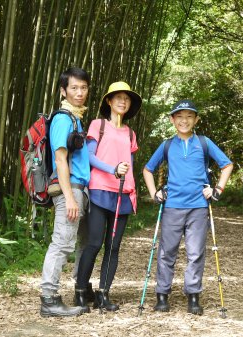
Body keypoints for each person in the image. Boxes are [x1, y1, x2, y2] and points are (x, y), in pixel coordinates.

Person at [142, 99, 233, 315]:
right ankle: (162, 295)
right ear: (172, 120)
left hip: (198, 207)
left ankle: (193, 295)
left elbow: (227, 165)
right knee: (166, 253)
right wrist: (154, 193)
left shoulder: (203, 142)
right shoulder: (166, 145)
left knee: (195, 253)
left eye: (189, 116)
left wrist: (217, 189)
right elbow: (148, 169)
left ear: (196, 119)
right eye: (180, 117)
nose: (184, 121)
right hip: (173, 205)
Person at [75, 81, 141, 312]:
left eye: (127, 98)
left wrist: (133, 191)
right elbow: (89, 157)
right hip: (100, 190)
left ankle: (103, 293)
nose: (123, 101)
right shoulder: (98, 125)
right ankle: (81, 292)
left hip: (122, 194)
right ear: (109, 101)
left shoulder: (130, 133)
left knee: (113, 247)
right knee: (93, 243)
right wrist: (112, 169)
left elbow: (130, 166)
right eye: (118, 97)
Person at [40, 67, 91, 317]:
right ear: (63, 90)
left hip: (78, 189)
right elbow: (60, 159)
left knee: (74, 243)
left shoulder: (76, 117)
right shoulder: (63, 119)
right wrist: (70, 196)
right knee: (61, 244)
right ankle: (49, 300)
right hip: (67, 190)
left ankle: (69, 292)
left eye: (83, 87)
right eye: (74, 88)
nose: (79, 92)